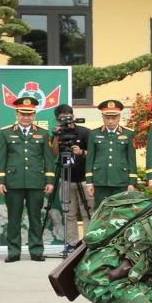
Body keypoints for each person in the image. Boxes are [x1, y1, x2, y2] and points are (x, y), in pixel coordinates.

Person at [0, 96, 56, 262]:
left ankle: (36, 250)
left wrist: (49, 181)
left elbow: (48, 159)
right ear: (16, 114)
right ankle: (13, 252)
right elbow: (0, 158)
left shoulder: (42, 133)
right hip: (13, 182)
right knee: (14, 218)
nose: (26, 117)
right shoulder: (6, 132)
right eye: (23, 114)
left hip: (36, 182)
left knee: (36, 217)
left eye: (30, 114)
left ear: (34, 115)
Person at [49, 103, 92, 255]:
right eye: (62, 118)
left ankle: (87, 244)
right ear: (56, 119)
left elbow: (92, 154)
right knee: (69, 213)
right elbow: (53, 155)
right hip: (65, 178)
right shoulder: (57, 133)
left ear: (73, 116)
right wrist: (56, 137)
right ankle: (71, 244)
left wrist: (81, 152)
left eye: (68, 117)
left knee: (88, 211)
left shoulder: (85, 132)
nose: (66, 121)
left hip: (84, 178)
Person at [85, 100, 137, 211]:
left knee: (121, 213)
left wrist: (132, 182)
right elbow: (90, 159)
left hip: (121, 180)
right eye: (107, 118)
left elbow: (131, 159)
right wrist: (89, 182)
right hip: (100, 180)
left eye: (113, 118)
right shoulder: (94, 133)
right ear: (102, 117)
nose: (110, 121)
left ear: (119, 117)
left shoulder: (128, 134)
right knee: (102, 211)